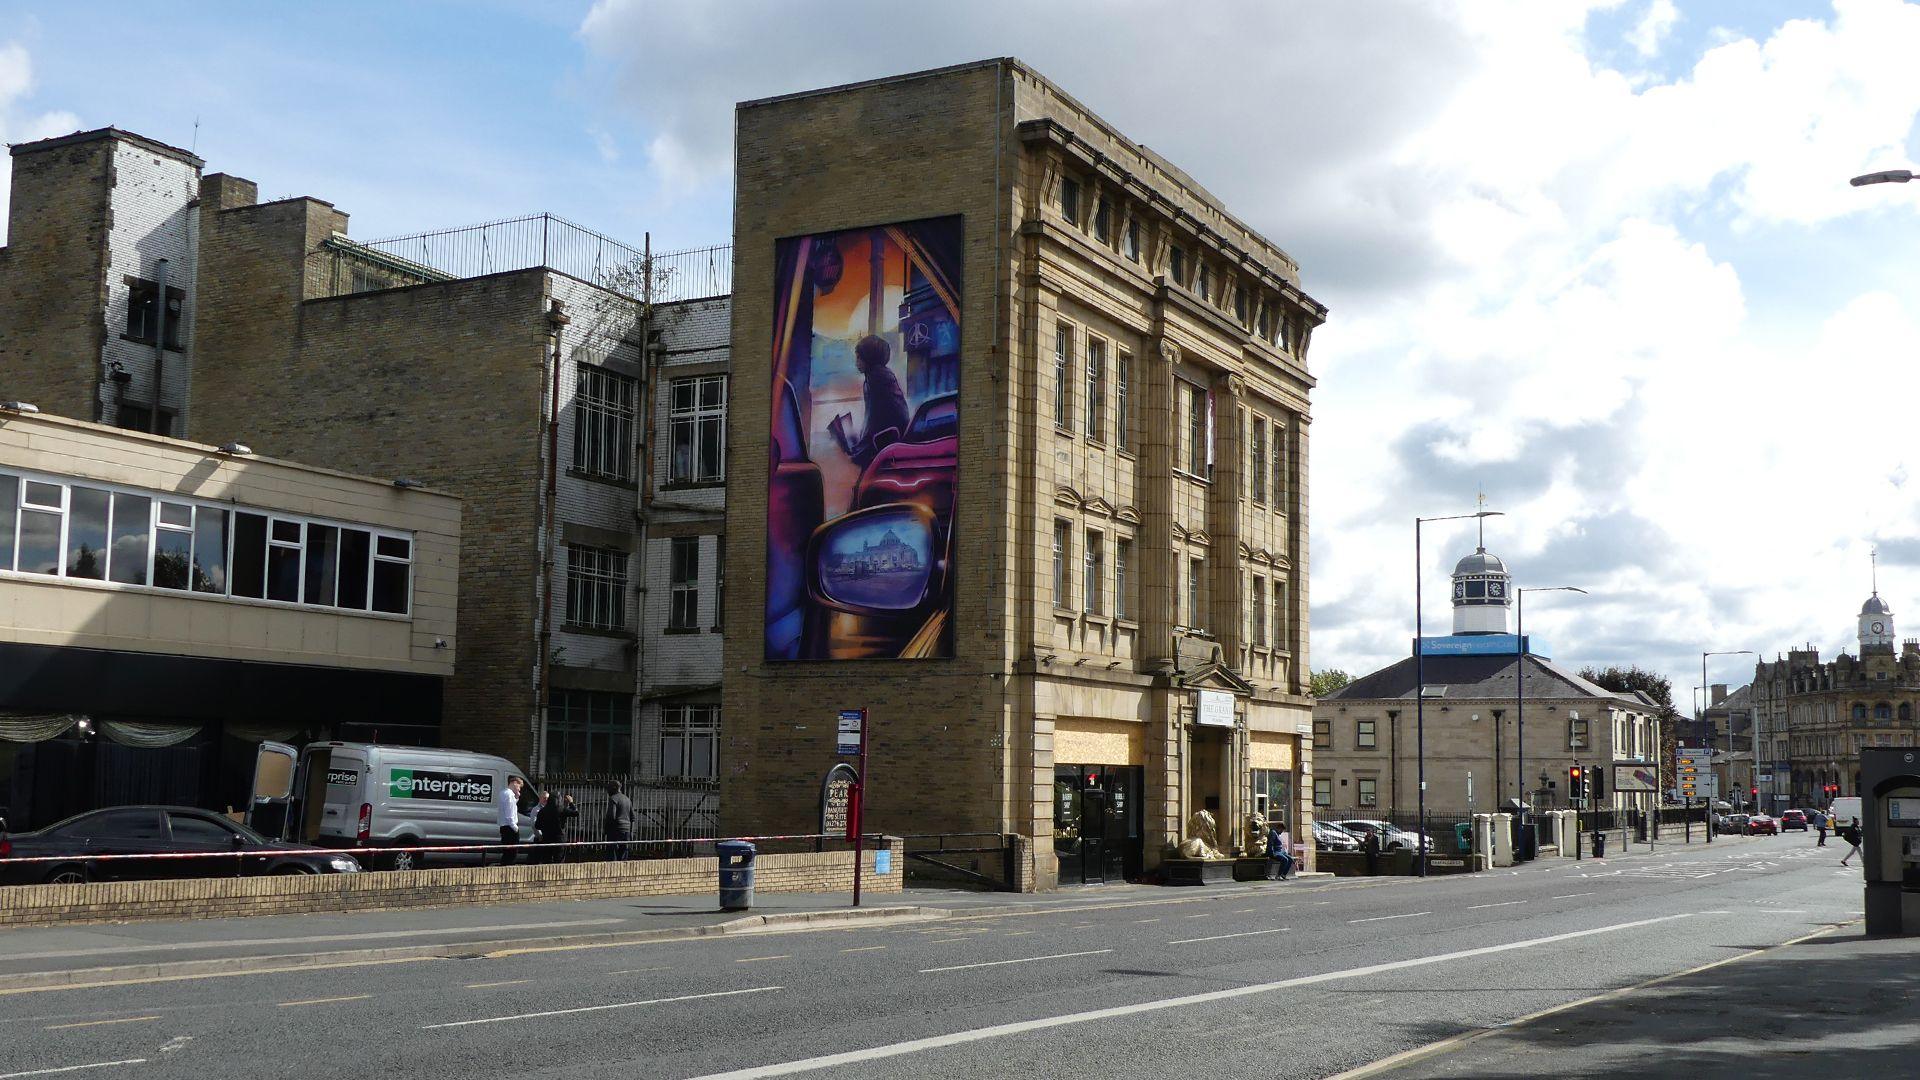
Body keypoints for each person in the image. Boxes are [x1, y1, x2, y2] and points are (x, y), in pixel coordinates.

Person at [829, 335, 912, 469]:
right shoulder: (881, 375)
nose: (856, 363)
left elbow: (874, 417)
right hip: (890, 435)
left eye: (858, 358)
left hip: (886, 439)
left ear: (868, 358)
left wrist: (861, 448)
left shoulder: (876, 378)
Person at [535, 790, 577, 863]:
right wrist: (571, 802)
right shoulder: (562, 810)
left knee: (546, 861)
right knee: (559, 861)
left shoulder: (542, 811)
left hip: (546, 839)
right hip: (559, 839)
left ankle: (547, 874)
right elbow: (576, 812)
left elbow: (537, 826)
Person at [496, 776, 525, 865]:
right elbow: (509, 813)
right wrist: (515, 828)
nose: (519, 789)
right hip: (510, 827)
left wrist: (516, 797)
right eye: (519, 786)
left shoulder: (503, 793)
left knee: (506, 852)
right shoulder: (509, 795)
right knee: (512, 853)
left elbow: (509, 806)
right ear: (515, 783)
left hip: (503, 826)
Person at [604, 780, 634, 861]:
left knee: (612, 854)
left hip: (615, 830)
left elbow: (611, 816)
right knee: (623, 854)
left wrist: (606, 830)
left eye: (608, 788)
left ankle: (613, 872)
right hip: (626, 830)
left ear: (614, 788)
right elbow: (632, 817)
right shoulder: (627, 799)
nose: (607, 791)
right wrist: (630, 831)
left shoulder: (613, 799)